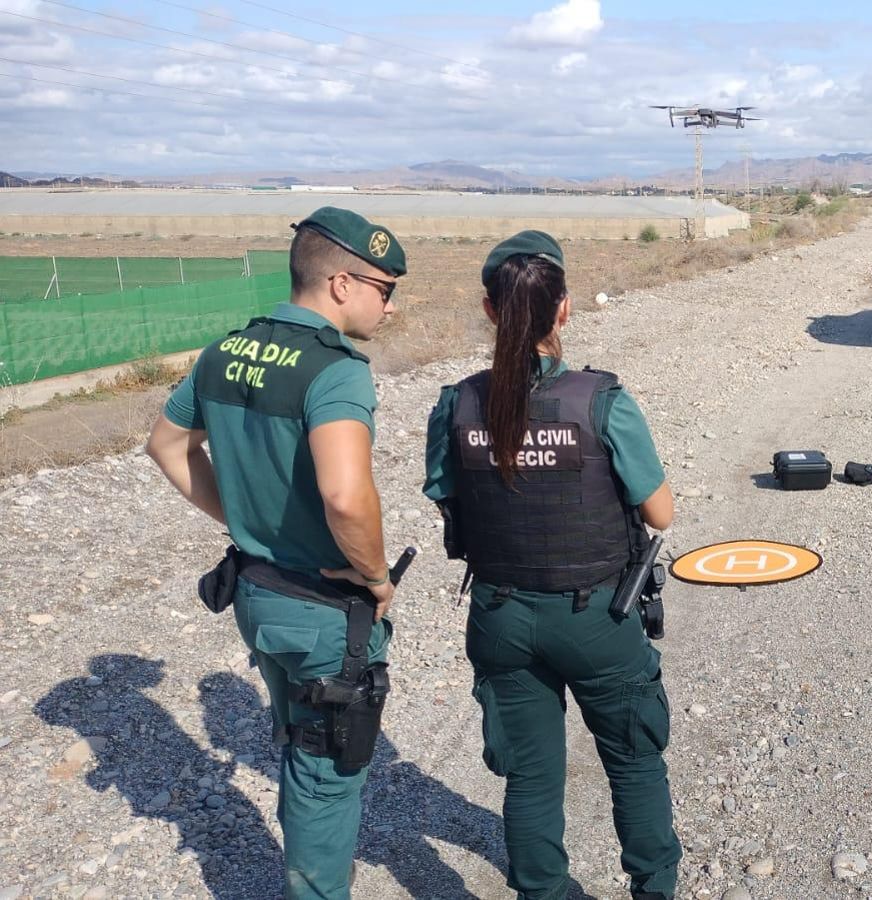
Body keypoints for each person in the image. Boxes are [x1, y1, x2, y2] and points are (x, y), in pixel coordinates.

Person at [145, 206, 406, 899]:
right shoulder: (337, 370)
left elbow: (167, 446)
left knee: (300, 743)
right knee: (328, 767)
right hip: (325, 607)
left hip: (258, 595)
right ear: (343, 284)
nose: (389, 304)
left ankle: (307, 871)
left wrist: (246, 516)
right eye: (385, 288)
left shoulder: (224, 352)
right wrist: (375, 577)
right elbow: (346, 497)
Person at [423, 231, 682, 900]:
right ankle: (653, 888)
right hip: (596, 615)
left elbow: (449, 500)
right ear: (563, 309)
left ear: (489, 310)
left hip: (501, 616)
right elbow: (660, 514)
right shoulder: (601, 401)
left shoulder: (456, 406)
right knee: (632, 761)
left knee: (531, 777)